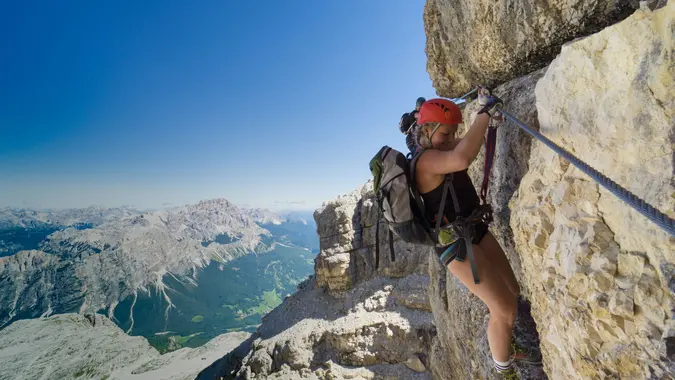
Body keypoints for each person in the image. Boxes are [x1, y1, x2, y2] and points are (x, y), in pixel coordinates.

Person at [413, 89, 542, 379]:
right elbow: (462, 158)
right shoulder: (425, 161)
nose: (450, 139)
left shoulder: (442, 148)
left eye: (452, 133)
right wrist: (483, 113)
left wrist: (484, 115)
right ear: (426, 130)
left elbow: (465, 143)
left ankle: (508, 342)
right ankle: (503, 370)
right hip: (456, 246)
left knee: (512, 291)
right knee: (505, 309)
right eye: (444, 134)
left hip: (475, 231)